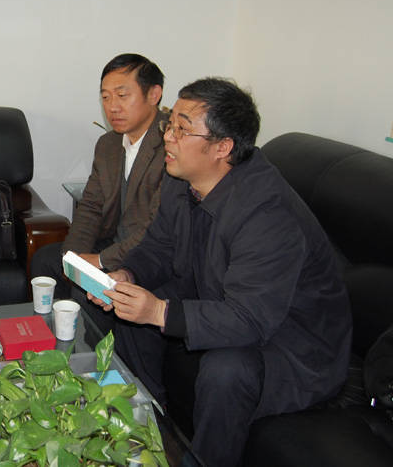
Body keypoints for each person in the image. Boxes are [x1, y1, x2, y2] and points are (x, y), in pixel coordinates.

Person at [89, 77, 352, 467]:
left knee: (227, 368)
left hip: (293, 347)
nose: (167, 138)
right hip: (226, 303)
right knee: (127, 307)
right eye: (169, 124)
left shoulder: (265, 213)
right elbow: (159, 246)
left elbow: (250, 318)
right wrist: (127, 275)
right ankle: (145, 428)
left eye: (182, 130)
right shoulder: (182, 179)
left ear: (222, 147)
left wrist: (158, 311)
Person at [30, 53, 167, 330]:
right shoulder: (108, 144)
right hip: (113, 242)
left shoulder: (171, 146)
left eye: (122, 95)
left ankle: (90, 348)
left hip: (149, 255)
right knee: (47, 261)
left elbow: (157, 226)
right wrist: (73, 257)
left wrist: (100, 260)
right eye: (105, 97)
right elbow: (91, 206)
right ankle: (50, 337)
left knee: (88, 289)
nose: (112, 107)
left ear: (154, 95)